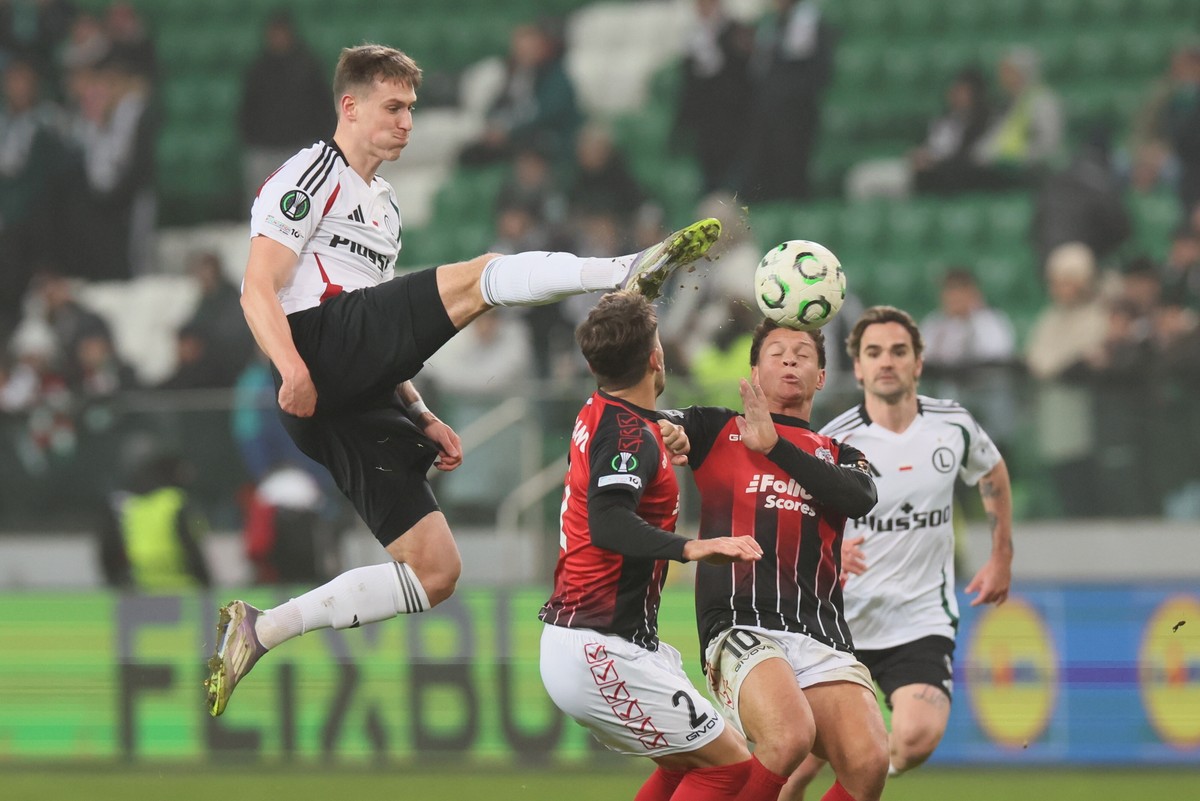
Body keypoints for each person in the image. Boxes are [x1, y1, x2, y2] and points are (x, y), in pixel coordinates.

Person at [204, 43, 723, 717]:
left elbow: (381, 322)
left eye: (412, 109)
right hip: (316, 350)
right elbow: (256, 288)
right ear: (350, 107)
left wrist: (418, 409)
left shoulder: (385, 208)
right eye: (392, 108)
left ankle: (260, 627)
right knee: (481, 275)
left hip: (347, 390)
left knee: (437, 569)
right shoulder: (310, 173)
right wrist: (294, 366)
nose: (406, 123)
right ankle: (621, 269)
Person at [540, 290, 778, 801]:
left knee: (685, 762)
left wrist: (664, 425)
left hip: (601, 641)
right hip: (597, 644)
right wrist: (691, 548)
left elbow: (632, 425)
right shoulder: (629, 437)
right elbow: (608, 523)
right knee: (730, 767)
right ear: (656, 357)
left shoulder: (603, 409)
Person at [785, 306, 1013, 798]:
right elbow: (793, 513)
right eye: (873, 353)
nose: (886, 361)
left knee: (913, 739)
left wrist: (1001, 557)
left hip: (919, 619)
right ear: (859, 368)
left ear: (918, 362)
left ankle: (856, 767)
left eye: (898, 351)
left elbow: (991, 473)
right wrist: (830, 552)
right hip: (842, 623)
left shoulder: (954, 425)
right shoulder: (835, 440)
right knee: (795, 770)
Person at [668, 320, 888, 801]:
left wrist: (775, 448)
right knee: (788, 737)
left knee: (870, 763)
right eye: (777, 352)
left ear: (822, 377)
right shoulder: (714, 426)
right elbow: (655, 422)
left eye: (803, 354)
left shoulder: (839, 453)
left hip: (819, 632)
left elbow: (859, 496)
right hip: (739, 623)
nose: (790, 360)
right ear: (754, 370)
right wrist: (669, 433)